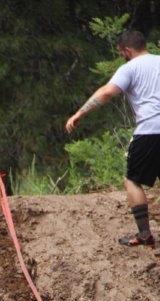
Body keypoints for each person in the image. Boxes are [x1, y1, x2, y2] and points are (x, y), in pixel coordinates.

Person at [66, 30, 160, 247]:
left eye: (121, 52)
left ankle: (145, 234)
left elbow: (107, 92)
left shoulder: (129, 68)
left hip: (150, 130)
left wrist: (80, 113)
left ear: (126, 50)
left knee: (132, 180)